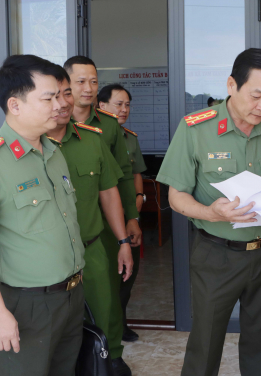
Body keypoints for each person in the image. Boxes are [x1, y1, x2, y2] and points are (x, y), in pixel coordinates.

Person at [156, 48, 261, 376]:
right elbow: (176, 196)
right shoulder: (196, 129)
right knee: (206, 340)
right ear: (231, 85)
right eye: (256, 96)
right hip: (217, 254)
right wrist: (212, 213)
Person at [0, 55, 85, 376]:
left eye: (60, 96)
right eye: (48, 98)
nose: (60, 104)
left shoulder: (53, 152)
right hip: (27, 305)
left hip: (71, 296)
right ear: (15, 105)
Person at [46, 68, 135, 357]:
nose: (62, 102)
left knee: (104, 310)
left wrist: (123, 240)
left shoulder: (92, 139)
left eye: (66, 94)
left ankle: (110, 360)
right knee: (57, 328)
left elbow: (110, 190)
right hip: (49, 256)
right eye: (53, 96)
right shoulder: (28, 146)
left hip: (92, 245)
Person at [63, 55, 141, 376]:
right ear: (65, 85)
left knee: (106, 292)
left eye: (94, 81)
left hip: (106, 225)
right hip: (70, 226)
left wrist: (131, 217)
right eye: (80, 81)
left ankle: (111, 354)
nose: (88, 88)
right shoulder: (51, 124)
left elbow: (121, 176)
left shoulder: (107, 125)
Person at [98, 83, 148, 342]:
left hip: (128, 215)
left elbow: (135, 173)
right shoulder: (90, 135)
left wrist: (138, 202)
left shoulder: (130, 138)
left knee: (128, 273)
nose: (124, 109)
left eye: (127, 105)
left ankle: (120, 323)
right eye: (118, 104)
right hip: (100, 219)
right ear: (101, 106)